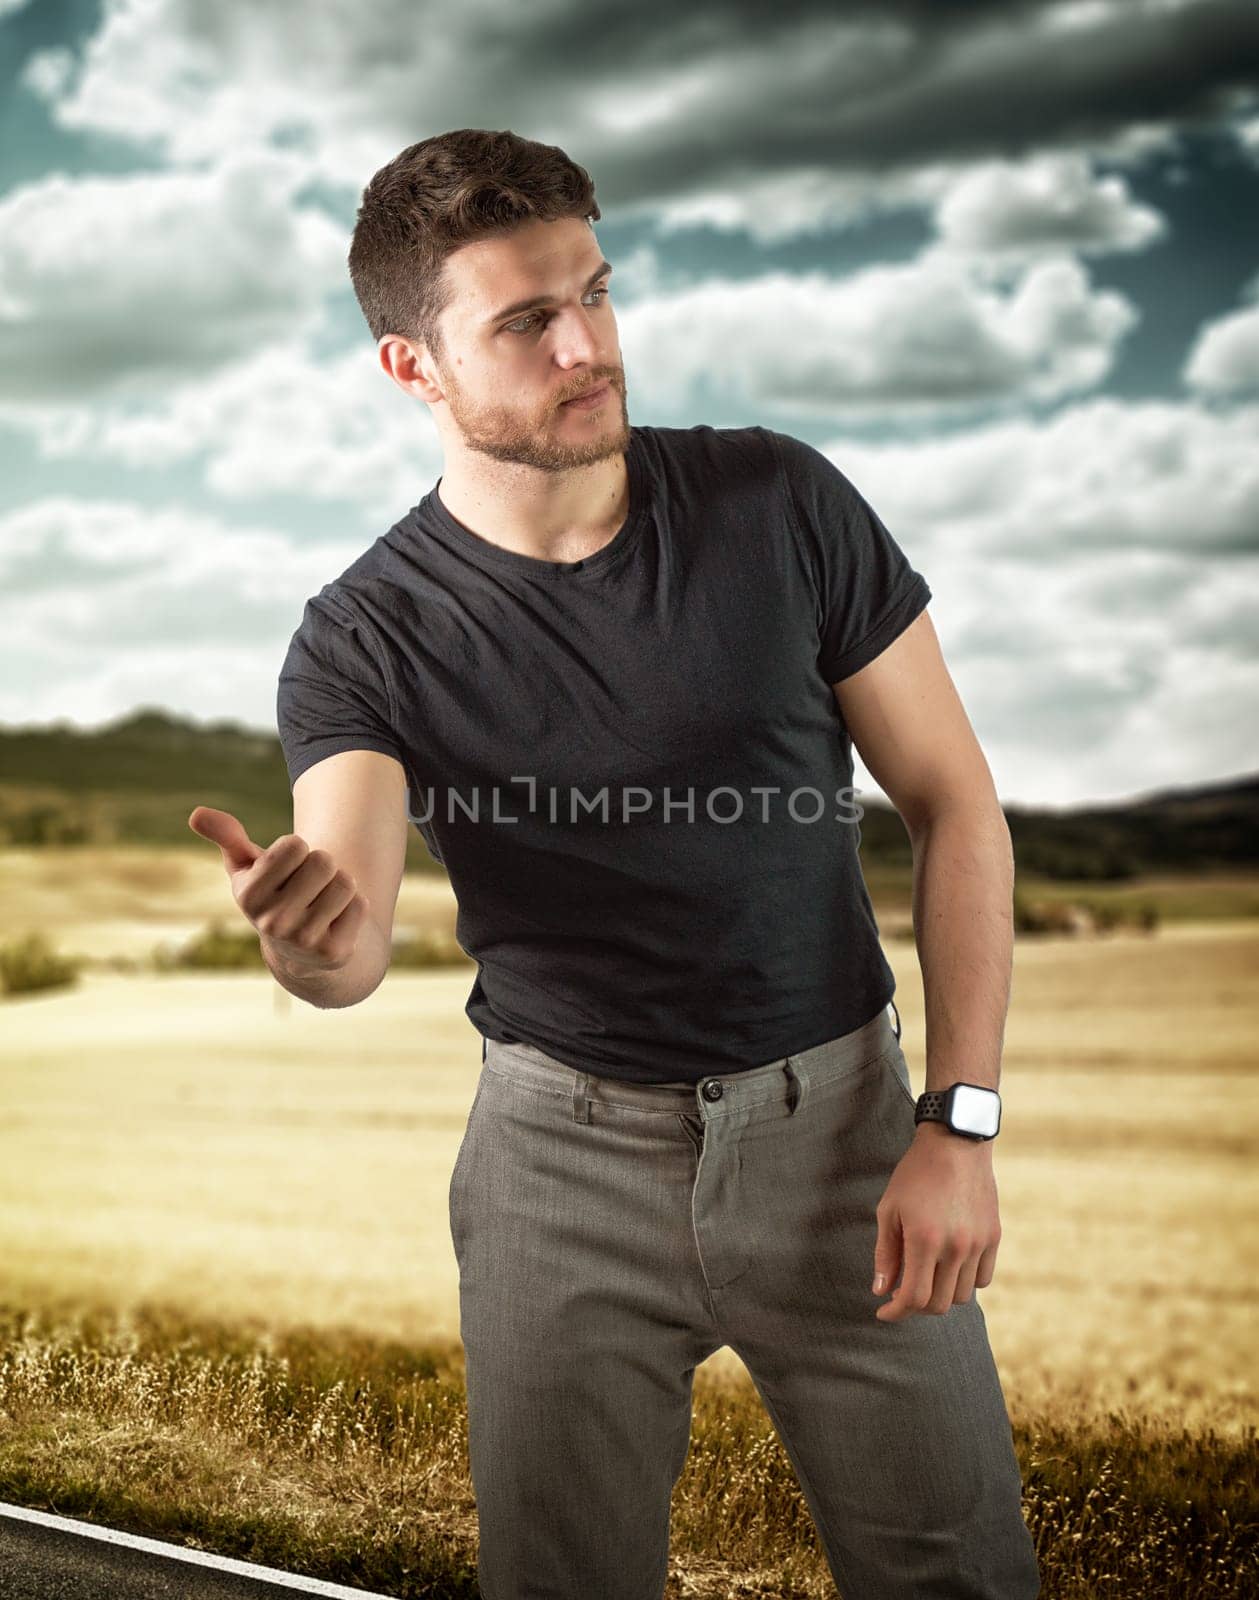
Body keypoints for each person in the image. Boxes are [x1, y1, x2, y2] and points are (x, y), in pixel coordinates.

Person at [193, 128, 1041, 1599]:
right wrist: (303, 940)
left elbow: (957, 806)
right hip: (555, 1165)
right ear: (414, 368)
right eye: (525, 319)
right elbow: (349, 941)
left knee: (959, 1575)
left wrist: (956, 1124)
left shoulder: (781, 502)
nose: (587, 344)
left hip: (841, 1137)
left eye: (595, 290)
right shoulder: (363, 638)